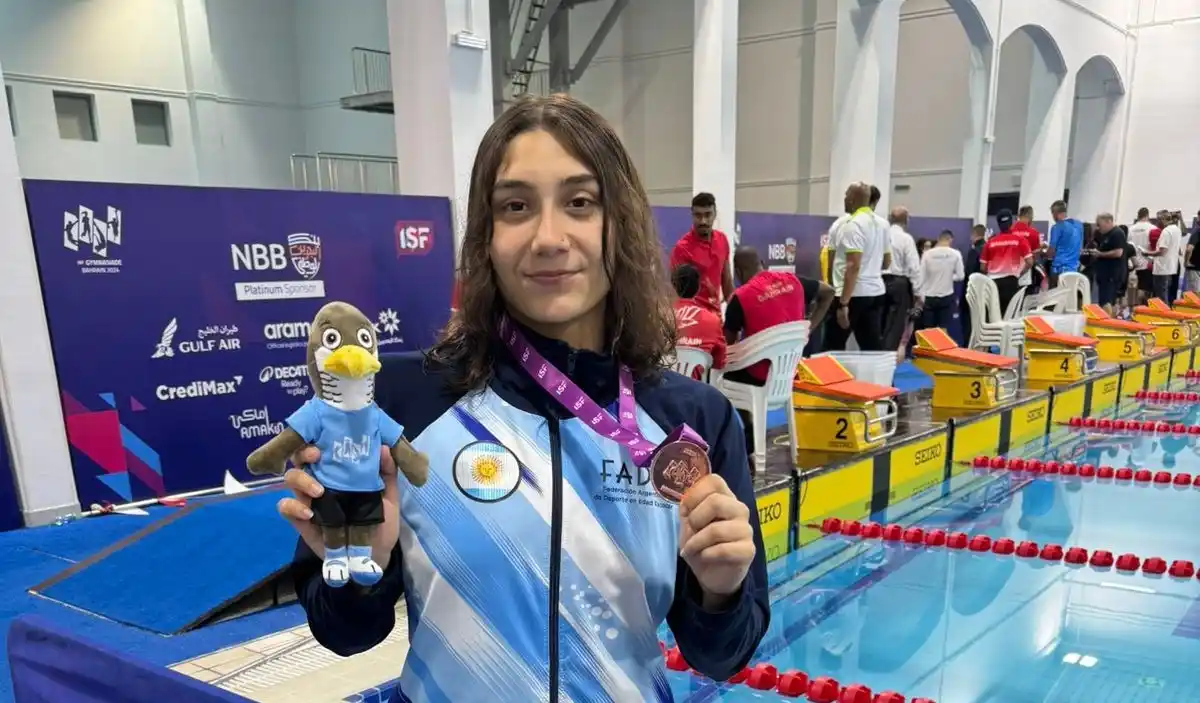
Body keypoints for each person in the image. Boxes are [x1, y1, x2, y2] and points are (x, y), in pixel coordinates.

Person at [277, 94, 768, 701]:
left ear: (620, 224)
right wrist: (359, 568)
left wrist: (719, 589)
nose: (548, 237)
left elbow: (723, 656)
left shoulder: (692, 420)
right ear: (486, 236)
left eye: (580, 203)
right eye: (515, 206)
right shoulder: (406, 402)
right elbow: (343, 633)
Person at [724, 246, 823, 472]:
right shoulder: (792, 282)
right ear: (761, 262)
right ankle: (750, 437)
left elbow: (726, 346)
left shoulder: (740, 298)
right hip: (787, 373)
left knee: (718, 374)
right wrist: (809, 328)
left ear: (738, 271)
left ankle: (745, 438)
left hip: (758, 376)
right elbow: (827, 292)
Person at [826, 182, 891, 351]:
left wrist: (843, 304)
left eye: (846, 196)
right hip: (876, 292)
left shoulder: (851, 225)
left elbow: (852, 266)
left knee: (831, 347)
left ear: (853, 199)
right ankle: (881, 378)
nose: (845, 200)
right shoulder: (883, 224)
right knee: (872, 348)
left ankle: (831, 377)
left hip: (852, 295)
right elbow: (886, 262)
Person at [670, 192, 734, 313]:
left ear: (715, 214)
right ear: (692, 216)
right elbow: (676, 294)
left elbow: (727, 285)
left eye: (707, 215)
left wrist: (735, 315)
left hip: (716, 319)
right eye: (698, 215)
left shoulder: (722, 240)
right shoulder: (682, 248)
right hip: (693, 318)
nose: (703, 221)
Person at [672, 263, 726, 377]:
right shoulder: (712, 320)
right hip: (695, 391)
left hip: (658, 387)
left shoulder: (658, 316)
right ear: (698, 288)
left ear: (673, 285)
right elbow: (719, 363)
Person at [881, 206, 921, 353]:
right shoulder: (906, 239)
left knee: (879, 325)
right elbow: (914, 267)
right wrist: (918, 293)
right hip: (898, 284)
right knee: (894, 327)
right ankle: (888, 358)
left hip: (877, 282)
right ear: (906, 221)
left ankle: (876, 359)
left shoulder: (880, 235)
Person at [979, 209, 1032, 316]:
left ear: (998, 224)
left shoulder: (990, 242)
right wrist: (1019, 273)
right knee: (1011, 316)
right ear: (1011, 223)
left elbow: (982, 268)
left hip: (993, 284)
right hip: (1011, 282)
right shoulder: (1020, 240)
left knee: (993, 317)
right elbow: (1030, 262)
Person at [918, 230, 964, 332]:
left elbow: (921, 277)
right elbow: (960, 276)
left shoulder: (927, 254)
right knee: (943, 329)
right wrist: (949, 277)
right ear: (950, 240)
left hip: (929, 296)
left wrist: (918, 294)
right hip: (946, 296)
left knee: (928, 330)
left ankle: (929, 348)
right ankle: (942, 348)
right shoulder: (956, 254)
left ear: (938, 239)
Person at [1088, 213, 1127, 314]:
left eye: (1099, 224)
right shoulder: (1106, 235)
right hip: (1105, 274)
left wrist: (1100, 254)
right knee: (1106, 301)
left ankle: (1108, 323)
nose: (1098, 227)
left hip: (1111, 274)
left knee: (1107, 302)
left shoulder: (1117, 233)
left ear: (1108, 222)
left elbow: (1118, 252)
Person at [1144, 210, 1182, 301]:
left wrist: (1147, 253)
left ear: (1163, 219)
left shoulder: (1166, 232)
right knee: (1168, 293)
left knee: (1161, 296)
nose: (1157, 222)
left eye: (1158, 220)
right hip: (1171, 267)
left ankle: (1163, 313)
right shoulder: (1176, 229)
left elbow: (1162, 251)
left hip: (1162, 268)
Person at [1046, 200, 1082, 287]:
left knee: (1055, 297)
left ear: (1055, 213)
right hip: (1074, 270)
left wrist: (1044, 253)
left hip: (1059, 269)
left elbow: (1051, 251)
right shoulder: (1079, 225)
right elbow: (1080, 248)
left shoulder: (1057, 227)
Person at [962, 223, 988, 344]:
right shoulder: (988, 248)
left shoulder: (974, 251)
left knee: (968, 323)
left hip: (972, 293)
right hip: (985, 293)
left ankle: (968, 347)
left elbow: (969, 273)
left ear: (974, 235)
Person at [1128, 207, 1157, 304]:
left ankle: (1132, 309)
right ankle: (1142, 309)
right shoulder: (1153, 228)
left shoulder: (1130, 229)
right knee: (1144, 289)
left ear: (1138, 216)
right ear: (1148, 216)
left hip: (1132, 263)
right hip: (1147, 263)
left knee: (1132, 289)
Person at [1012, 205, 1043, 291]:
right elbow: (1035, 254)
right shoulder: (1034, 233)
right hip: (1026, 271)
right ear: (1030, 216)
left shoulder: (1010, 230)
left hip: (1009, 270)